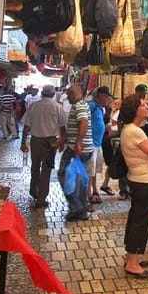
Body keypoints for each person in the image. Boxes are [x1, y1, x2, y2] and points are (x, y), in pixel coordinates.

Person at [119, 94, 148, 279]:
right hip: (144, 181)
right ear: (135, 110)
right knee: (141, 220)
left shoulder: (131, 129)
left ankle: (132, 256)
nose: (147, 107)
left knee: (136, 218)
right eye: (143, 105)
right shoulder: (135, 131)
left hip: (139, 179)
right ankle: (132, 263)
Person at [19, 84, 65, 209]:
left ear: (42, 93)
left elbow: (26, 127)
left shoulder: (34, 106)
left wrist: (23, 142)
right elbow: (62, 127)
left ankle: (34, 191)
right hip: (51, 142)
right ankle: (41, 198)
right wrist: (61, 143)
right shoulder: (57, 107)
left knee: (35, 166)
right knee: (46, 169)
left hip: (36, 141)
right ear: (53, 94)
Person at [59, 83, 93, 221]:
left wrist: (78, 143)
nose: (67, 97)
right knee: (80, 180)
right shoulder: (80, 105)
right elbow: (73, 128)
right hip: (77, 147)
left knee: (63, 174)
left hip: (77, 148)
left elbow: (83, 123)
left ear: (73, 94)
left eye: (68, 95)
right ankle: (81, 210)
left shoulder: (79, 105)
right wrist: (61, 142)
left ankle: (77, 206)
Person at [87, 86, 113, 204]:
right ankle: (88, 196)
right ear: (101, 96)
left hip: (98, 143)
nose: (107, 99)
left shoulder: (100, 108)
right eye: (106, 96)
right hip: (90, 143)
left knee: (94, 170)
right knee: (89, 171)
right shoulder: (91, 105)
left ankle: (95, 191)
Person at [100, 97, 121, 196]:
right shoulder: (109, 112)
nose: (114, 105)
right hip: (108, 138)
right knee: (111, 162)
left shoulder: (118, 113)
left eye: (117, 103)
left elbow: (115, 123)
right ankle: (105, 184)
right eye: (114, 103)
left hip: (113, 137)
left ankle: (105, 184)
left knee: (112, 162)